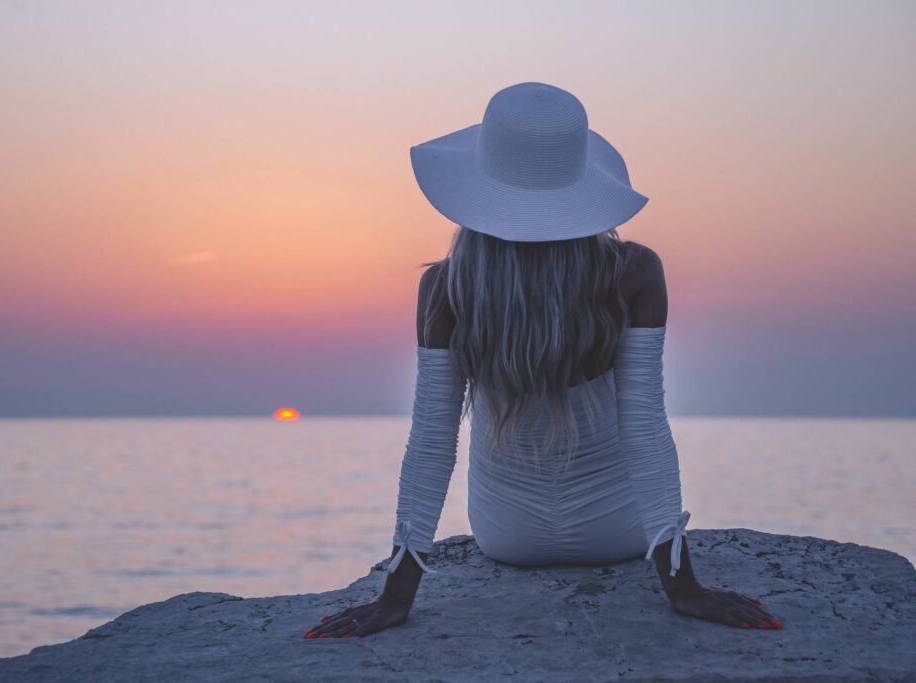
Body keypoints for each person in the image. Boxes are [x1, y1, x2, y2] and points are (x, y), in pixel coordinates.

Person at [304, 82, 782, 640]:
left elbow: (432, 441)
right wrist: (682, 587)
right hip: (621, 532)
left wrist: (396, 596)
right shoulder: (632, 271)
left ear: (481, 184)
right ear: (580, 182)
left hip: (508, 537)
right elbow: (646, 428)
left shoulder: (446, 286)